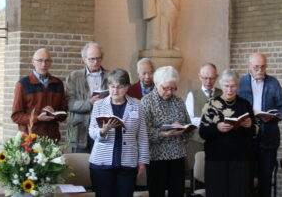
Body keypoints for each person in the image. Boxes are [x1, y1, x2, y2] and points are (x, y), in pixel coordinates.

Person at [88, 69, 149, 197]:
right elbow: (92, 131)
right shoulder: (99, 105)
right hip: (101, 164)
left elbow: (142, 136)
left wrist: (142, 162)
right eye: (112, 86)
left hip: (128, 163)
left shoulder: (137, 105)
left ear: (127, 87)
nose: (115, 91)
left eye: (120, 87)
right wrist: (102, 131)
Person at [238, 53, 282, 197]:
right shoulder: (241, 83)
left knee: (265, 179)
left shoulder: (273, 83)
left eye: (263, 67)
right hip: (247, 137)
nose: (260, 70)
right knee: (246, 177)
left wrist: (272, 117)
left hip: (269, 137)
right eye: (256, 67)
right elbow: (236, 108)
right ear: (249, 67)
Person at [199, 69, 255, 197]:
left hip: (240, 159)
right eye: (226, 86)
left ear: (238, 86)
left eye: (233, 86)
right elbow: (202, 132)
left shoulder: (244, 104)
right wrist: (217, 128)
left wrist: (249, 126)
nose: (230, 90)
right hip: (216, 160)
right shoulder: (211, 104)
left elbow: (252, 134)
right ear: (221, 85)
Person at [141, 66, 191, 197]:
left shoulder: (179, 101)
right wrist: (163, 133)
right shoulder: (147, 102)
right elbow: (143, 132)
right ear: (156, 83)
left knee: (177, 193)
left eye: (173, 88)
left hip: (177, 155)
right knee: (157, 193)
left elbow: (188, 124)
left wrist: (183, 129)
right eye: (166, 88)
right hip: (157, 157)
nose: (169, 92)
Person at [11, 48, 67, 140]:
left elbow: (64, 113)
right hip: (30, 140)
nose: (44, 64)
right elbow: (16, 116)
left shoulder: (57, 83)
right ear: (33, 62)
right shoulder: (23, 84)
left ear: (51, 62)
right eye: (40, 60)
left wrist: (55, 114)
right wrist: (37, 118)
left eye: (47, 61)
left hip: (52, 138)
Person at [67, 42, 109, 153]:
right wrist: (89, 103)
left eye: (98, 58)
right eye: (92, 59)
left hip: (103, 127)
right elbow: (69, 103)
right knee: (81, 166)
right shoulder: (74, 77)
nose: (96, 62)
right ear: (84, 59)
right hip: (81, 129)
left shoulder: (110, 76)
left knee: (101, 165)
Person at [184, 63, 222, 166]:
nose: (208, 82)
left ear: (217, 77)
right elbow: (189, 119)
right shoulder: (192, 95)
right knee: (197, 175)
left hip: (218, 142)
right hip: (197, 142)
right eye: (205, 78)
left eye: (212, 78)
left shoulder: (222, 94)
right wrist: (212, 121)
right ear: (200, 77)